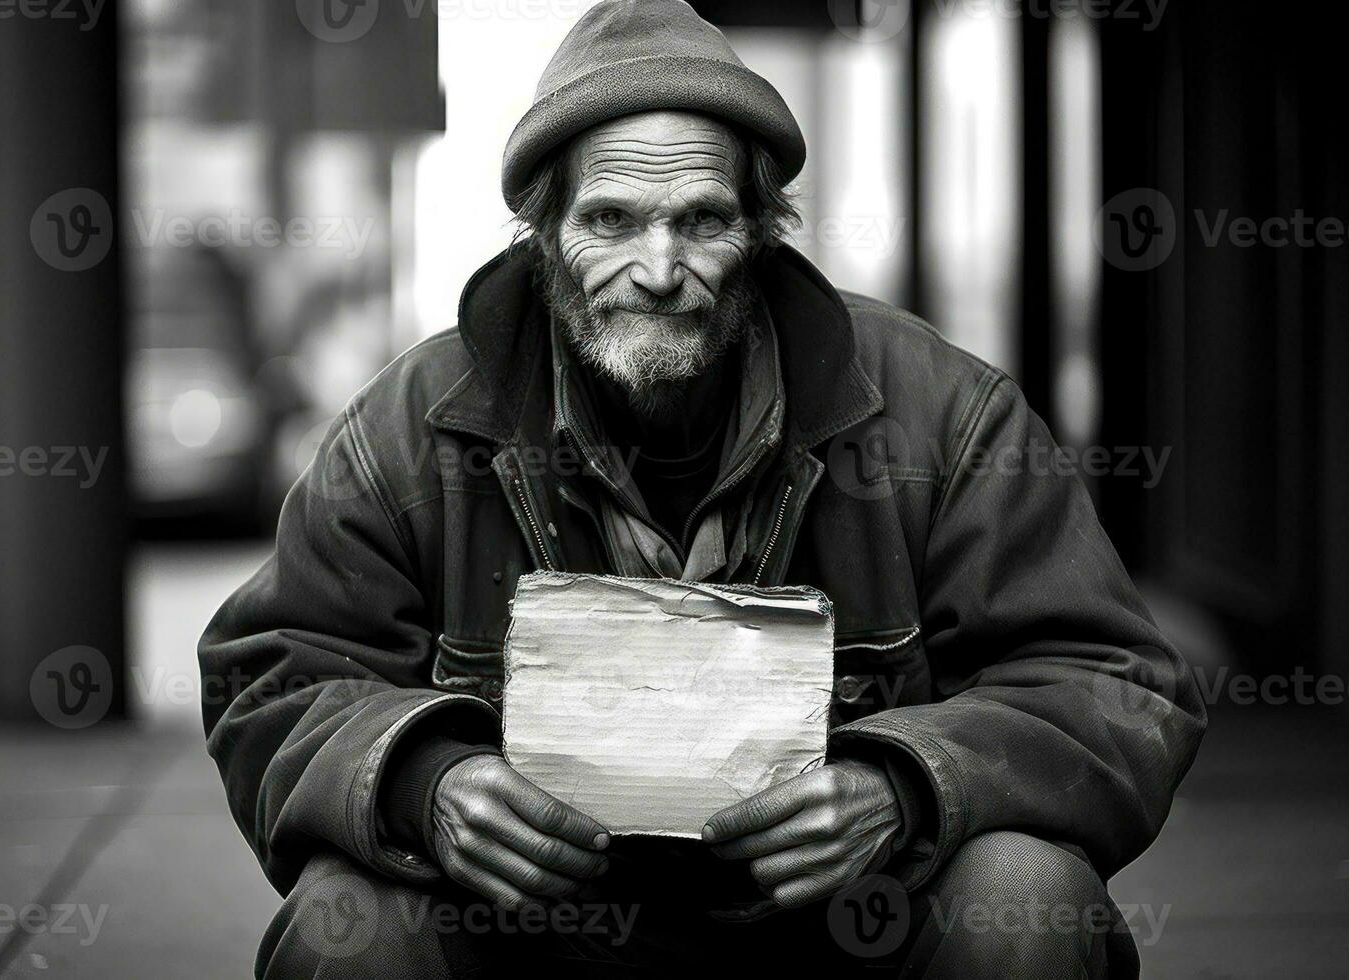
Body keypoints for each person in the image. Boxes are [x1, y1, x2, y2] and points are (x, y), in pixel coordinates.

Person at [199, 2, 1205, 975]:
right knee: (350, 919)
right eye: (611, 220)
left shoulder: (940, 413)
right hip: (529, 938)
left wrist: (907, 784)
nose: (659, 266)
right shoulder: (413, 423)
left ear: (764, 232)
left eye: (703, 220)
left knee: (1030, 895)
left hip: (844, 929)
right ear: (543, 233)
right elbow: (271, 673)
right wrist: (425, 781)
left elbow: (1115, 682)